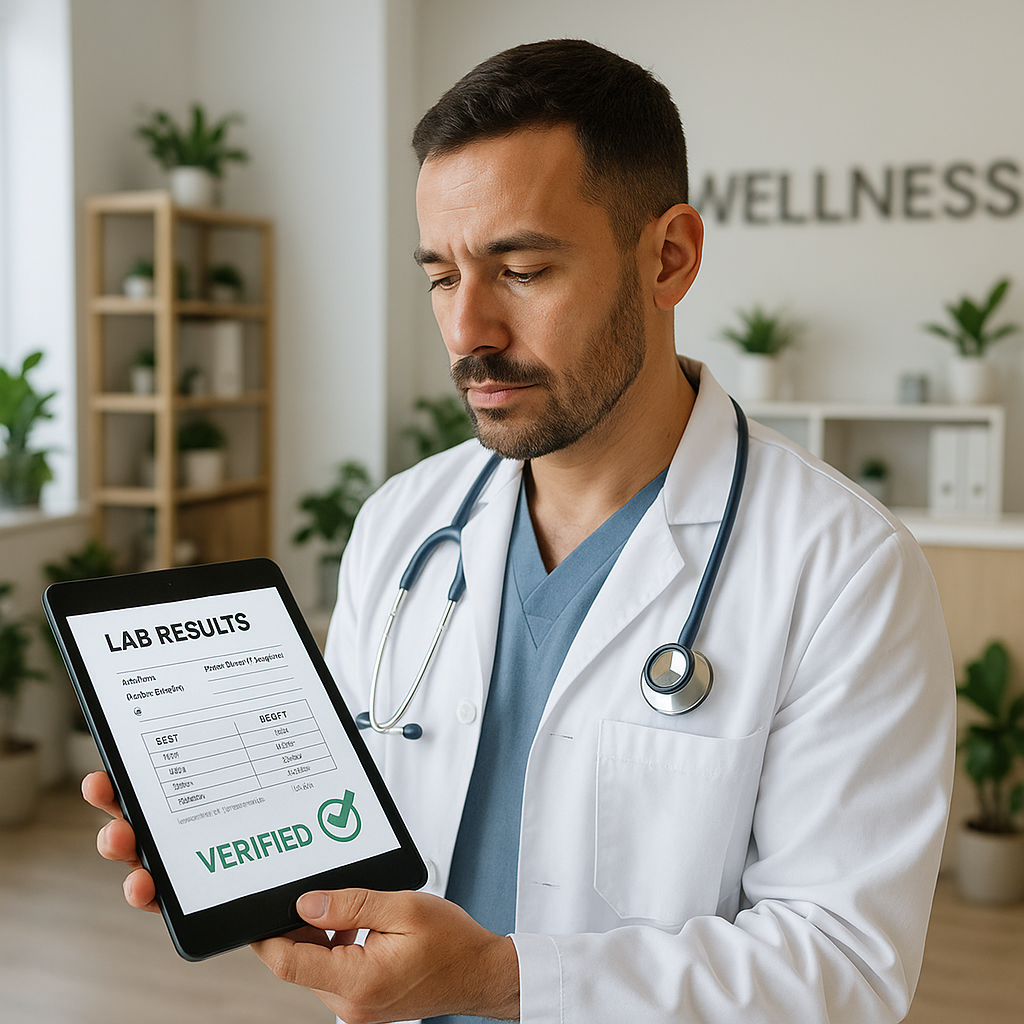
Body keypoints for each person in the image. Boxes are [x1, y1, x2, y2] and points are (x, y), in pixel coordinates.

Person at [85, 39, 956, 1024]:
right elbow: (361, 817)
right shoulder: (403, 526)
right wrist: (233, 826)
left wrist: (502, 982)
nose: (468, 331)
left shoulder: (844, 570)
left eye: (522, 268)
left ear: (667, 257)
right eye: (441, 276)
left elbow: (839, 973)